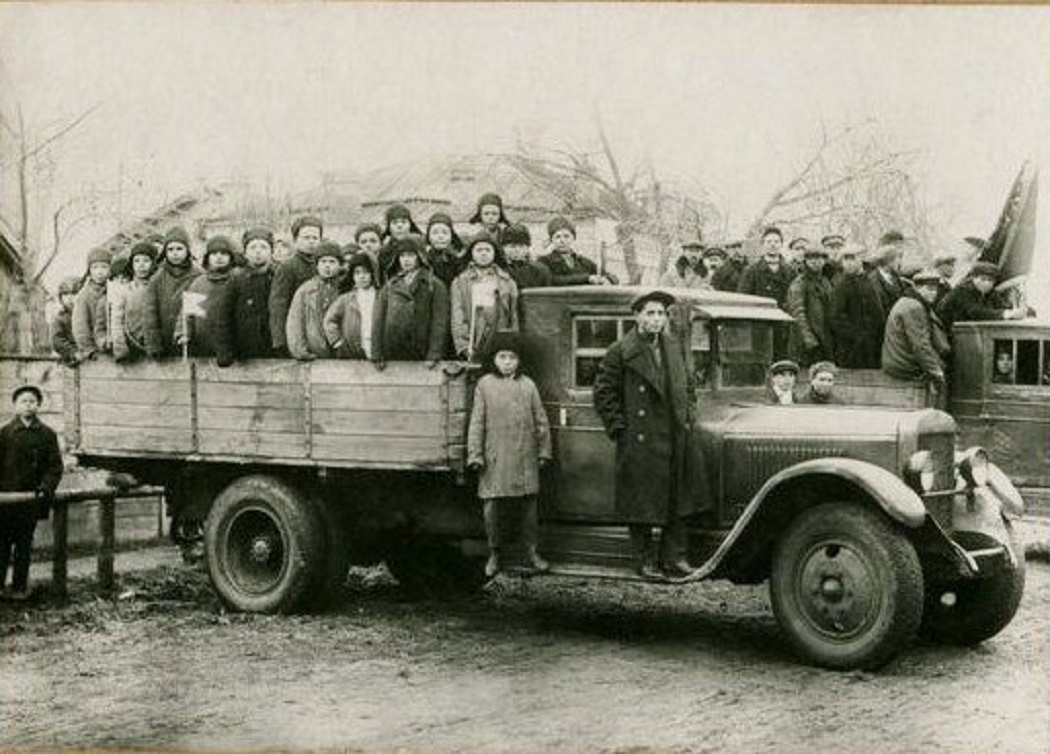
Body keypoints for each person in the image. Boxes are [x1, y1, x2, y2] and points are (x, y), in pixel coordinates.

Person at [592, 290, 701, 580]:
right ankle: (644, 560)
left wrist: (688, 415)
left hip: (674, 433)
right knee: (642, 503)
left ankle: (674, 558)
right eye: (650, 313)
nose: (656, 319)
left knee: (677, 498)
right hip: (640, 438)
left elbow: (688, 385)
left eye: (661, 314)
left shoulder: (673, 346)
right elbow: (604, 393)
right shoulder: (620, 350)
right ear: (637, 316)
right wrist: (620, 429)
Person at [467, 331, 552, 578]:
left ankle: (532, 552)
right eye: (502, 357)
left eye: (512, 357)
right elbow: (477, 423)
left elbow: (541, 420)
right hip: (495, 458)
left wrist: (544, 451)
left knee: (529, 508)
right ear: (494, 359)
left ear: (519, 360)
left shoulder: (528, 385)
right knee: (492, 508)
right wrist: (475, 455)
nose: (507, 362)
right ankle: (494, 553)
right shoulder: (484, 385)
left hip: (525, 458)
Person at [0, 385, 63, 601]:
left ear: (38, 405)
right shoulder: (4, 433)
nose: (28, 405)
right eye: (23, 401)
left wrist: (46, 487)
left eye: (32, 401)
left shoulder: (47, 435)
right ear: (15, 406)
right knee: (1, 544)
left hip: (30, 500)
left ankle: (19, 588)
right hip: (5, 500)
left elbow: (54, 467)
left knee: (24, 544)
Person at [371, 234, 449, 369]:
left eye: (411, 255)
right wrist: (377, 353)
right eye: (402, 256)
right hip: (393, 351)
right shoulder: (390, 285)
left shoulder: (434, 285)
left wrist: (434, 353)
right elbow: (378, 319)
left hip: (421, 352)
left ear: (420, 256)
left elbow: (439, 322)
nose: (406, 260)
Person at [881, 269, 951, 403]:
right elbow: (920, 345)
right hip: (903, 363)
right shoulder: (915, 307)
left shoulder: (907, 301)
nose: (934, 293)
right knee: (943, 375)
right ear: (918, 288)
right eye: (929, 289)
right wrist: (936, 371)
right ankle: (937, 417)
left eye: (936, 289)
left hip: (897, 359)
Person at [450, 231, 518, 361]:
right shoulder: (460, 282)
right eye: (479, 250)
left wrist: (511, 344)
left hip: (499, 338)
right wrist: (464, 346)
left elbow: (513, 316)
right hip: (473, 340)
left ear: (494, 253)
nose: (483, 253)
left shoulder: (507, 282)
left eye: (488, 250)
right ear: (471, 253)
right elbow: (458, 316)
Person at [175, 235, 237, 362]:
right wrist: (183, 333)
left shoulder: (237, 280)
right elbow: (188, 313)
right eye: (214, 254)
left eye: (224, 253)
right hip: (203, 346)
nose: (219, 257)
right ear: (207, 258)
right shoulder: (199, 283)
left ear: (231, 257)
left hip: (233, 345)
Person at [144, 226, 202, 358]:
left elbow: (195, 312)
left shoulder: (198, 276)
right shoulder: (157, 278)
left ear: (188, 250)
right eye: (170, 249)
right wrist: (153, 343)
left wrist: (187, 334)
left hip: (190, 342)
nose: (175, 253)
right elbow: (150, 312)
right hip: (164, 340)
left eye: (179, 249)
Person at [269, 216, 324, 356]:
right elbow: (278, 305)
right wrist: (280, 341)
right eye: (306, 238)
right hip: (296, 332)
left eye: (315, 238)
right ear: (295, 240)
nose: (311, 242)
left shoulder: (325, 265)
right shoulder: (288, 267)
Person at [221, 227, 277, 363]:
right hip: (244, 351)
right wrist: (225, 350)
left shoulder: (279, 276)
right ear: (245, 253)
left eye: (263, 247)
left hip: (274, 350)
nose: (258, 251)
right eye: (252, 247)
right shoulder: (236, 279)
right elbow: (224, 317)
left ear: (271, 252)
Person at [829, 245, 885, 368]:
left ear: (861, 259)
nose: (848, 263)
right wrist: (856, 336)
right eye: (845, 259)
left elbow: (878, 314)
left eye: (852, 258)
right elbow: (835, 318)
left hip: (871, 348)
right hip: (850, 350)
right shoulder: (840, 286)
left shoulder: (869, 283)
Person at [286, 241, 342, 361]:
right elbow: (295, 321)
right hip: (314, 353)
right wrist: (299, 350)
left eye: (332, 262)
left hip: (341, 352)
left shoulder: (344, 289)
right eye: (323, 262)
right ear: (316, 265)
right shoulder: (305, 291)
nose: (327, 266)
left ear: (339, 265)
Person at [937, 261, 1026, 329]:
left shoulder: (989, 292)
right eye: (983, 279)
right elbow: (975, 312)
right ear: (973, 278)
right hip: (947, 334)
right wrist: (1007, 314)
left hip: (967, 332)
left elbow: (1003, 306)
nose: (986, 283)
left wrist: (1022, 311)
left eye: (990, 280)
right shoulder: (961, 291)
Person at [324, 252, 379, 360]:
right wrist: (337, 342)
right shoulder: (346, 299)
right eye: (357, 273)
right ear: (352, 276)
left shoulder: (381, 297)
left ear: (373, 274)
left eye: (366, 272)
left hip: (376, 346)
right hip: (352, 349)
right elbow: (329, 320)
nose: (362, 276)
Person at [786, 246, 835, 366]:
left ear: (824, 261)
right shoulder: (799, 283)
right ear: (805, 261)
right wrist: (809, 339)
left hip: (824, 339)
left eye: (819, 258)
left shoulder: (826, 282)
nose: (815, 261)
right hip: (805, 344)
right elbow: (797, 313)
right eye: (811, 258)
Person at [536, 216, 617, 286]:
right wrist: (586, 278)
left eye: (566, 236)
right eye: (557, 237)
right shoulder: (544, 261)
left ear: (573, 238)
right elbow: (553, 280)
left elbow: (610, 276)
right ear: (551, 240)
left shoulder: (583, 262)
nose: (562, 241)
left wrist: (608, 280)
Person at [111, 242, 157, 362]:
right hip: (132, 349)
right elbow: (117, 321)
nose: (141, 265)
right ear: (132, 264)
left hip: (156, 349)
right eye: (137, 261)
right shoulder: (124, 291)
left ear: (153, 263)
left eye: (146, 260)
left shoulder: (158, 288)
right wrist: (121, 348)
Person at [72, 247, 112, 360]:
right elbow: (80, 327)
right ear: (89, 270)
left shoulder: (114, 290)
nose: (99, 272)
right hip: (96, 353)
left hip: (113, 347)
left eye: (104, 267)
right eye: (95, 267)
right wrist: (89, 350)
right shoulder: (84, 296)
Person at [867, 230, 908, 318]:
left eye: (901, 257)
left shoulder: (898, 279)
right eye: (898, 257)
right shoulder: (872, 280)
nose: (900, 261)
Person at [378, 204, 424, 281]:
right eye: (394, 222)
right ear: (389, 227)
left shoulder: (421, 247)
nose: (399, 226)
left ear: (410, 225)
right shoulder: (384, 252)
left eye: (404, 222)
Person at [423, 212, 468, 288]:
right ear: (428, 236)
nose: (440, 236)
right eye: (435, 233)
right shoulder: (424, 259)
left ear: (451, 236)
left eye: (445, 233)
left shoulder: (458, 260)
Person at [502, 223, 551, 290]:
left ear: (528, 247)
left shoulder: (540, 271)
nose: (517, 250)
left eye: (521, 246)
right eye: (512, 246)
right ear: (503, 247)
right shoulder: (499, 269)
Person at [50, 276, 82, 366]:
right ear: (61, 297)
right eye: (66, 294)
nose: (70, 298)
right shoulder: (60, 318)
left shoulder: (87, 315)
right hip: (70, 360)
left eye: (74, 294)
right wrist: (73, 352)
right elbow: (57, 340)